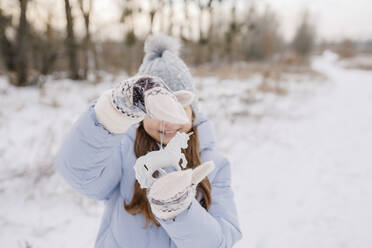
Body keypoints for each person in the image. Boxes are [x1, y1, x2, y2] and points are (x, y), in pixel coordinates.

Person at [55, 34, 242, 248]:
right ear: (140, 114)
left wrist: (179, 211)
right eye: (157, 112)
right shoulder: (124, 153)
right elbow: (79, 172)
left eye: (179, 108)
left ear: (193, 112)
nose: (168, 122)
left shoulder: (214, 166)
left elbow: (219, 242)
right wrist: (110, 115)